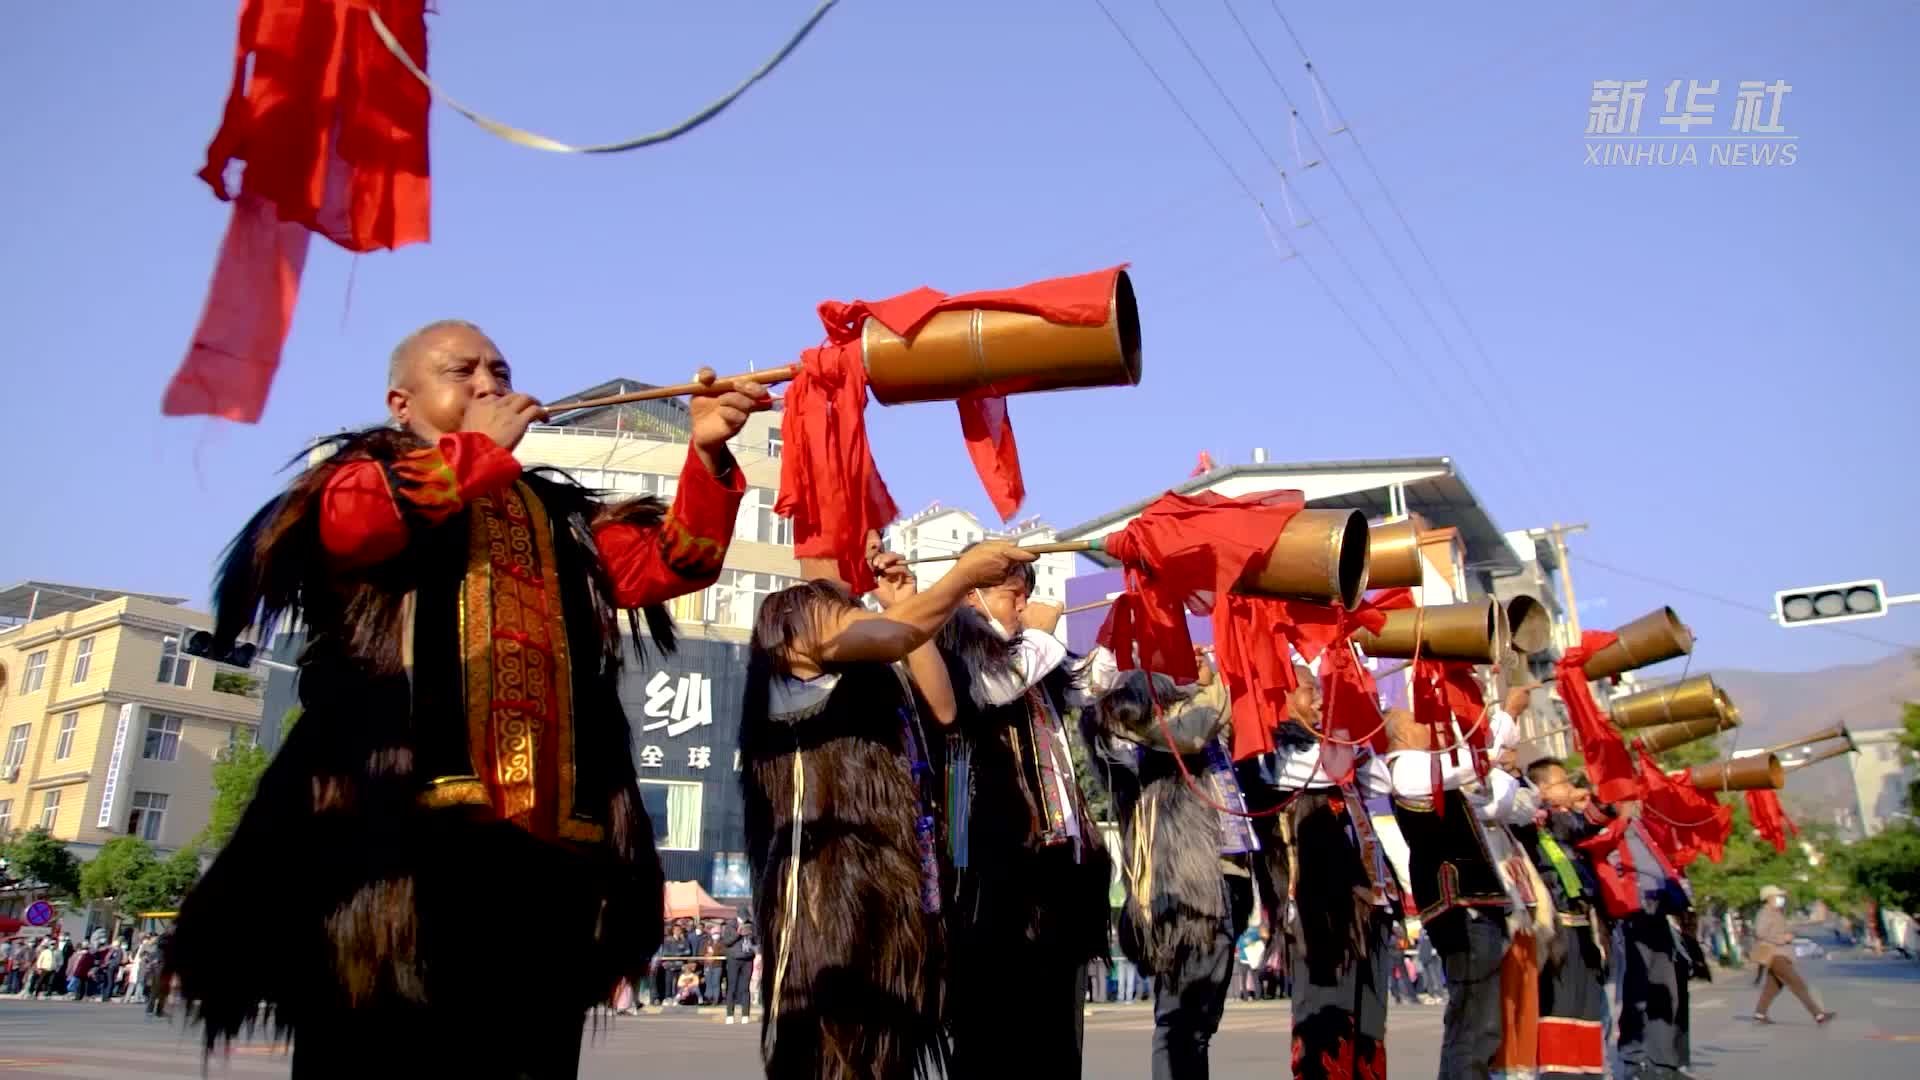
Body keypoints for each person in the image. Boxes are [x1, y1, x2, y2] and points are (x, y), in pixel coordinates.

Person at [167, 321, 766, 1077]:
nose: (490, 383)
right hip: (395, 847)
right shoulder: (360, 477)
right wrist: (479, 451)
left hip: (545, 850)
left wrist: (706, 451)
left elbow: (676, 563)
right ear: (402, 402)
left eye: (501, 368)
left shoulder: (556, 517)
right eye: (463, 371)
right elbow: (353, 527)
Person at [742, 541, 1034, 1080]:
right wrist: (961, 578)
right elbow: (895, 635)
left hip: (898, 886)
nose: (873, 551)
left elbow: (943, 707)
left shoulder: (872, 636)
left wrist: (907, 599)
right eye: (860, 537)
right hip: (829, 894)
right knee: (835, 1052)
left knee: (891, 1051)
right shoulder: (792, 613)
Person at [933, 554, 1113, 1080]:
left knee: (1057, 1033)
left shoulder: (1033, 653)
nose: (1023, 604)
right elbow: (993, 685)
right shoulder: (952, 637)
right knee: (993, 1032)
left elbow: (1089, 681)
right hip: (992, 868)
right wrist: (1037, 633)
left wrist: (1132, 622)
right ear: (974, 595)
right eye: (1013, 593)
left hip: (1058, 866)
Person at [1080, 651, 1252, 1080]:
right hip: (1181, 893)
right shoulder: (1140, 737)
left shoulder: (1196, 733)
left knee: (1199, 1029)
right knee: (1179, 1025)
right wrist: (1205, 685)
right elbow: (1191, 730)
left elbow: (1214, 723)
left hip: (1222, 883)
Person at [1240, 663, 1399, 1080]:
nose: (1320, 700)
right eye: (1311, 691)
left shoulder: (1329, 745)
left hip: (1365, 903)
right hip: (1317, 909)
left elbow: (1383, 780)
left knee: (1368, 1026)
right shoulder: (1270, 748)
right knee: (1324, 1021)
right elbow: (1325, 767)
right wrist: (1346, 725)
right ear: (1283, 697)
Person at [1385, 707, 1524, 1080]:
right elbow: (1471, 763)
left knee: (1480, 1017)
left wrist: (1498, 755)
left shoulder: (1437, 777)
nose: (1430, 727)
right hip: (1460, 904)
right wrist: (1504, 718)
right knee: (1475, 1016)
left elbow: (1498, 802)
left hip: (1474, 904)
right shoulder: (1406, 768)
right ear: (1400, 735)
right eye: (1419, 721)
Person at [1521, 757, 1613, 1079]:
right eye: (1564, 782)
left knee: (1586, 1012)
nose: (1571, 789)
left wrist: (1607, 795)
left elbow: (1589, 821)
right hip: (1554, 931)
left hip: (1582, 926)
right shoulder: (1526, 823)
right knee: (1558, 1011)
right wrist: (1540, 799)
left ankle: (1587, 1073)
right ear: (1543, 788)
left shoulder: (1562, 824)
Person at [1751, 885, 1834, 1025]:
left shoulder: (1776, 912)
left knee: (1773, 987)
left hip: (1781, 954)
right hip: (1775, 954)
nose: (1781, 899)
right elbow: (1760, 933)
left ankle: (1760, 1013)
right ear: (1769, 898)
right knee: (1798, 984)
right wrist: (1781, 938)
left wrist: (1789, 934)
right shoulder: (1765, 913)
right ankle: (1818, 1015)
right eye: (1778, 896)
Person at [723, 919, 757, 1025]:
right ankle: (730, 1015)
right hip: (734, 959)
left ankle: (745, 1015)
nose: (744, 921)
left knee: (745, 988)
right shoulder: (730, 926)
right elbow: (726, 942)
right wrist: (738, 933)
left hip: (747, 959)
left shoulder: (752, 926)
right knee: (732, 987)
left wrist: (751, 935)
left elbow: (757, 941)